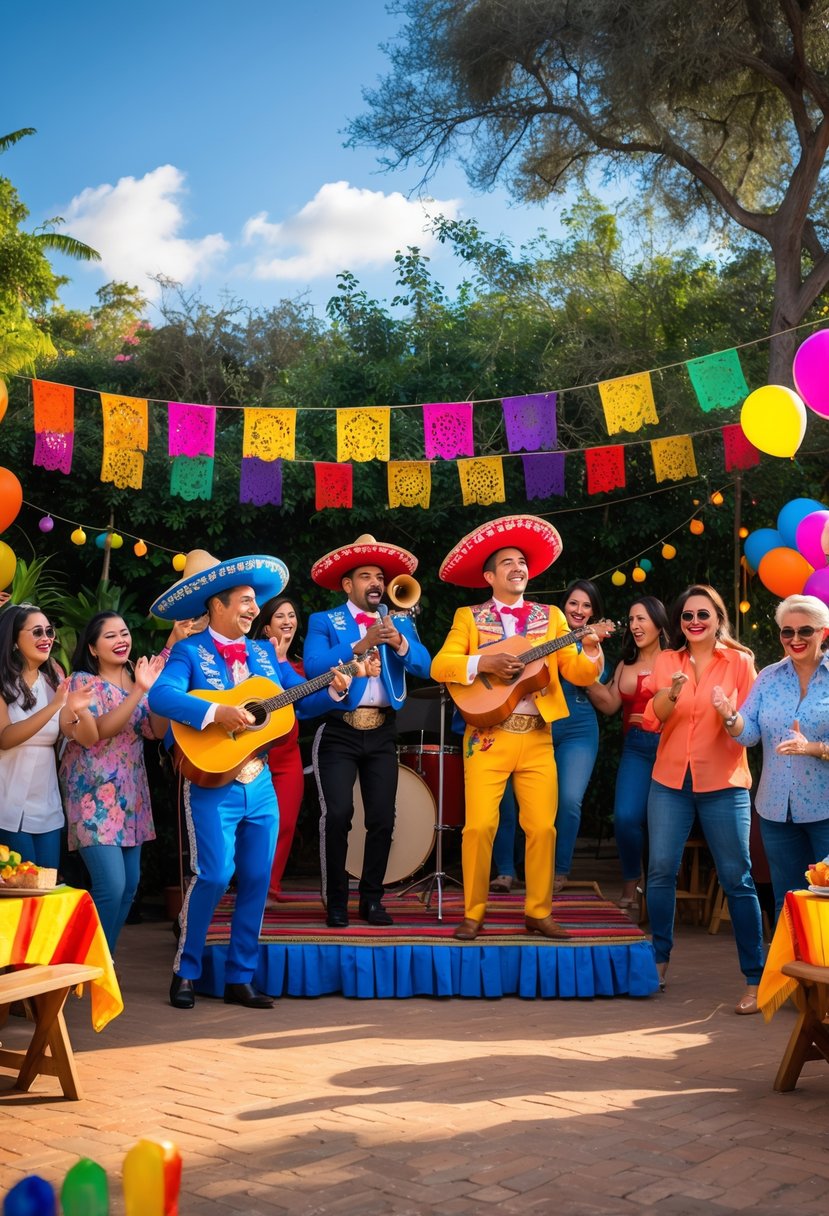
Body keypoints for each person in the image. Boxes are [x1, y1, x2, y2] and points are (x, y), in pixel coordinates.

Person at [149, 550, 368, 1010]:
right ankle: (185, 971)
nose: (254, 610)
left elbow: (295, 706)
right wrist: (216, 711)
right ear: (216, 606)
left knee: (254, 878)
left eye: (254, 602)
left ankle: (240, 976)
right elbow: (162, 696)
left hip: (260, 782)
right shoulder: (190, 651)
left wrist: (333, 688)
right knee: (213, 874)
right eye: (245, 601)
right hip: (210, 781)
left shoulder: (264, 653)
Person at [430, 514, 603, 941]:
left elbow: (577, 673)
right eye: (507, 561)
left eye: (522, 560)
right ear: (489, 575)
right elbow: (440, 666)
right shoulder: (468, 617)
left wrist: (594, 651)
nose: (517, 566)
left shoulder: (553, 617)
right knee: (479, 827)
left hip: (538, 735)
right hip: (487, 737)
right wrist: (484, 662)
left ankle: (538, 911)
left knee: (543, 826)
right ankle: (473, 912)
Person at [642, 584, 764, 1012]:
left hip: (724, 782)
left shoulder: (741, 662)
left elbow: (751, 727)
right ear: (679, 623)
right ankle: (658, 960)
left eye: (703, 615)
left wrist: (729, 715)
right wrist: (672, 692)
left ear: (717, 619)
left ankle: (755, 978)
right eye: (687, 616)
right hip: (670, 780)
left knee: (738, 878)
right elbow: (652, 720)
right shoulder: (665, 660)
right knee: (659, 871)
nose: (694, 622)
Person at [304, 534, 432, 929]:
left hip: (382, 730)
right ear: (348, 585)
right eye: (366, 576)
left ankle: (372, 899)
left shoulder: (400, 620)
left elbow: (426, 667)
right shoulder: (324, 621)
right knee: (338, 814)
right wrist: (362, 642)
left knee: (382, 818)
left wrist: (402, 644)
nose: (376, 582)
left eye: (380, 576)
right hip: (339, 730)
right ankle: (337, 900)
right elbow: (313, 667)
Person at [58, 612, 173, 954]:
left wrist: (158, 693)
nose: (121, 640)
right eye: (110, 636)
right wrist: (139, 690)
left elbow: (158, 732)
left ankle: (99, 960)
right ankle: (88, 963)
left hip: (131, 793)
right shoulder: (83, 681)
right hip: (91, 792)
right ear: (92, 648)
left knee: (130, 886)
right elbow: (99, 733)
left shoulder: (138, 677)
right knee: (111, 884)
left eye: (124, 632)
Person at [713, 593, 829, 918]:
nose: (795, 639)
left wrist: (813, 748)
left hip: (825, 810)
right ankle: (788, 970)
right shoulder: (768, 678)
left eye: (805, 631)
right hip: (777, 811)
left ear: (823, 632)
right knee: (788, 904)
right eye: (787, 631)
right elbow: (748, 733)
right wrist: (728, 715)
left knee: (826, 904)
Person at [588, 596, 669, 914]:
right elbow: (609, 705)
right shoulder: (625, 664)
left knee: (660, 824)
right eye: (632, 620)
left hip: (668, 746)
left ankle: (657, 892)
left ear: (659, 623)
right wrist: (583, 677)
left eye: (642, 619)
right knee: (625, 818)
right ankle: (631, 883)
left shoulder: (675, 659)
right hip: (635, 746)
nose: (635, 625)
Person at [0, 604, 92, 867]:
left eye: (49, 631)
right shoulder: (3, 683)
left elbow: (75, 737)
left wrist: (77, 710)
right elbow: (5, 737)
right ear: (15, 641)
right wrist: (54, 705)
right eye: (37, 632)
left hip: (47, 807)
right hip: (8, 804)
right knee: (21, 890)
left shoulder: (54, 681)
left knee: (47, 889)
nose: (47, 638)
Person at [551, 579, 608, 892]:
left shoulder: (594, 642)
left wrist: (589, 645)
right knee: (522, 801)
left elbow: (598, 677)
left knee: (570, 799)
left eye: (587, 605)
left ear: (594, 613)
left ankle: (561, 871)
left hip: (579, 727)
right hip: (540, 723)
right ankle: (511, 869)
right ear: (563, 606)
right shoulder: (546, 633)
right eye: (574, 603)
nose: (579, 610)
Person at [251, 595, 306, 900]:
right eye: (279, 617)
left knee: (285, 821)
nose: (287, 622)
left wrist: (283, 660)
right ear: (266, 625)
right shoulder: (250, 655)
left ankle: (271, 885)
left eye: (292, 616)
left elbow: (304, 701)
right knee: (255, 824)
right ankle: (250, 883)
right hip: (255, 753)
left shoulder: (297, 665)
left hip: (288, 753)